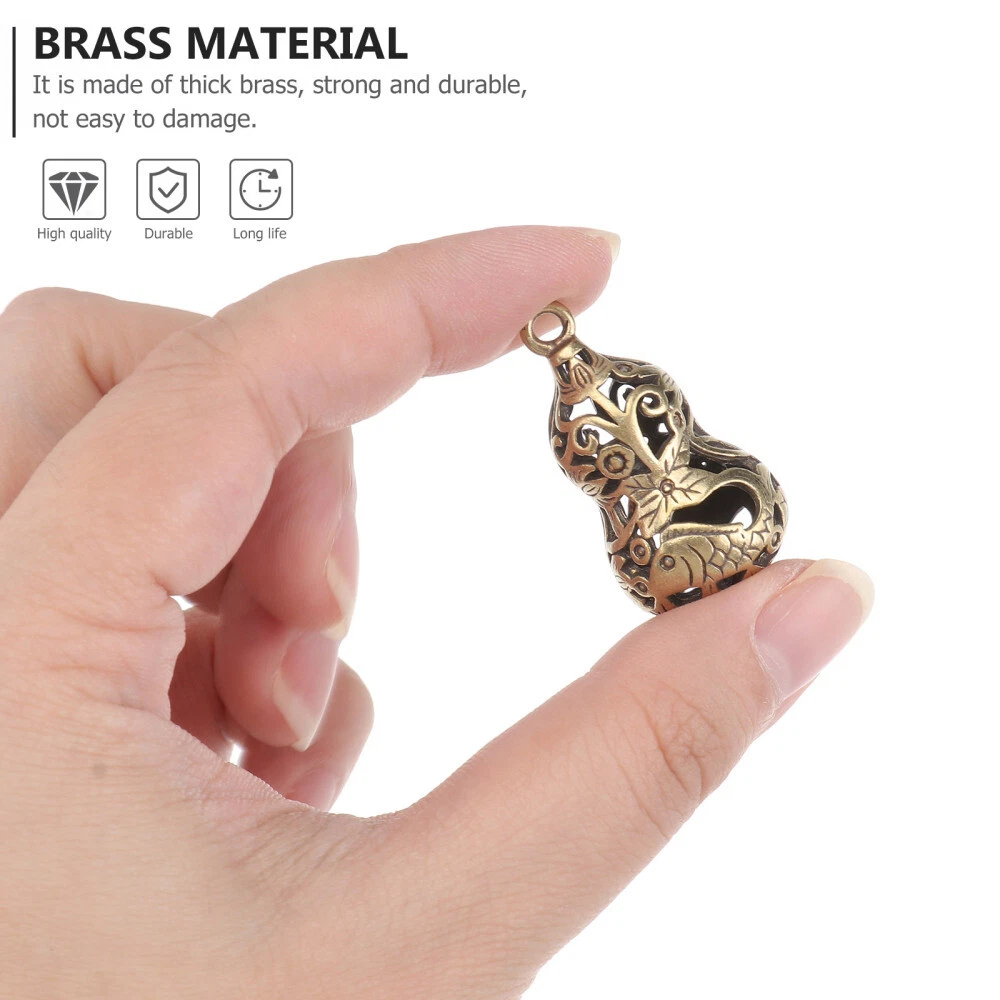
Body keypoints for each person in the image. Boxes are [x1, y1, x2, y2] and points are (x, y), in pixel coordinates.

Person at [0, 227, 871, 997]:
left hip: (711, 509)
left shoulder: (701, 469)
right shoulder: (632, 515)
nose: (639, 444)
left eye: (647, 418)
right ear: (585, 464)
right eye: (606, 448)